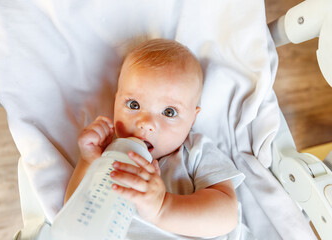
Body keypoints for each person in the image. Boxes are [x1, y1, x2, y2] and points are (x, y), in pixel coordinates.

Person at [64, 38, 245, 239]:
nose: (146, 123)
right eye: (133, 105)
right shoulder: (109, 154)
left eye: (169, 112)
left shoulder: (195, 152)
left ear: (193, 118)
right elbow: (74, 215)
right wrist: (88, 160)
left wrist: (163, 207)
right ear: (116, 102)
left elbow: (227, 215)